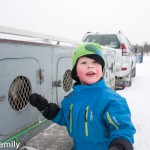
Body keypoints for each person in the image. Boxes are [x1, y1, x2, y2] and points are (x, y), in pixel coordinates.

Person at [29, 43, 136, 150]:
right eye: (84, 62)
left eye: (95, 62)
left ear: (102, 70)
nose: (90, 66)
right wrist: (49, 110)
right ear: (76, 73)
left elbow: (122, 129)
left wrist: (120, 145)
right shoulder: (71, 99)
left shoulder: (112, 100)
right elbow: (66, 118)